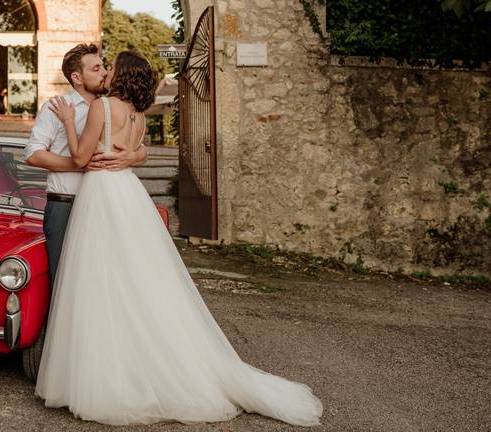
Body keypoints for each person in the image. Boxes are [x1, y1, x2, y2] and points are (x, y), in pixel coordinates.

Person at [35, 51, 323, 427]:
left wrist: (71, 123)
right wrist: (134, 155)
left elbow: (80, 156)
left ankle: (110, 372)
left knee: (99, 282)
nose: (105, 72)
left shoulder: (103, 107)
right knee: (138, 281)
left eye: (111, 68)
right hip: (129, 195)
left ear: (120, 76)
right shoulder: (137, 116)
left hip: (102, 196)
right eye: (99, 67)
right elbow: (132, 151)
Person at [24, 44, 148, 284]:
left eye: (104, 67)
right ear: (77, 77)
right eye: (96, 68)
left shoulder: (114, 106)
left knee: (104, 279)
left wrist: (133, 156)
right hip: (66, 205)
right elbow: (33, 154)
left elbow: (139, 147)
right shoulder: (56, 107)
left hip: (106, 205)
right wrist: (81, 165)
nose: (103, 72)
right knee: (63, 280)